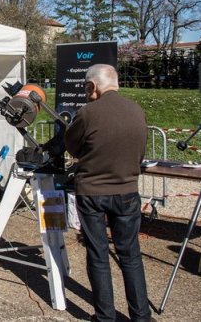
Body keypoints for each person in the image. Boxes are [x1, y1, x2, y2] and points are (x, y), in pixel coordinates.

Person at [64, 64, 152, 322]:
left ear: (93, 86)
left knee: (98, 254)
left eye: (85, 87)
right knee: (131, 255)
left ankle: (105, 317)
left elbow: (73, 146)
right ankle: (141, 316)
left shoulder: (88, 112)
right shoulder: (136, 110)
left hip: (92, 192)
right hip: (126, 190)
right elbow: (141, 151)